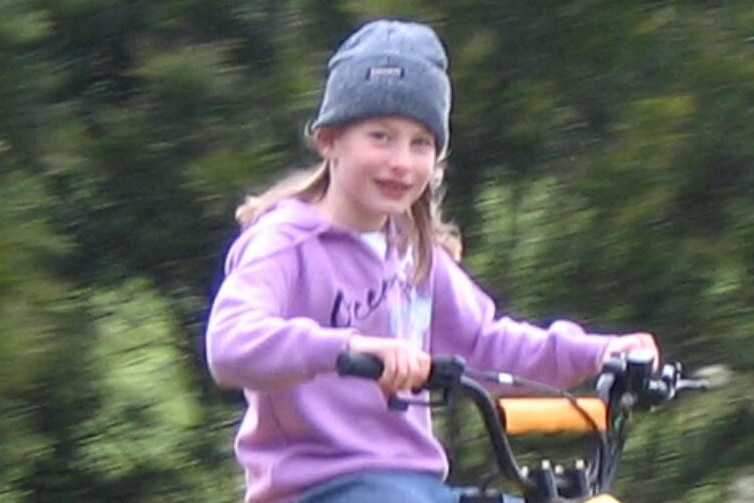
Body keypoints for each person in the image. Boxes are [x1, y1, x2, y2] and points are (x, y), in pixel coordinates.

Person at [204, 18, 659, 503]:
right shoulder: (286, 243)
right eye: (381, 136)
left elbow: (486, 346)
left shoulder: (415, 252)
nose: (401, 161)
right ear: (329, 140)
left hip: (412, 485)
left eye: (420, 143)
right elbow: (230, 344)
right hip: (319, 489)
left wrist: (600, 353)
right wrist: (349, 348)